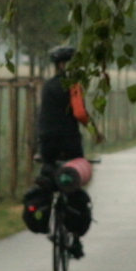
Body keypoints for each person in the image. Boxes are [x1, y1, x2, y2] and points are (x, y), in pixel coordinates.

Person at [28, 51, 94, 252]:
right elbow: (80, 113)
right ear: (65, 65)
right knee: (74, 180)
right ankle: (74, 235)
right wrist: (95, 131)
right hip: (68, 142)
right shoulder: (73, 85)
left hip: (46, 142)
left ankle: (46, 211)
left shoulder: (47, 85)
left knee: (48, 174)